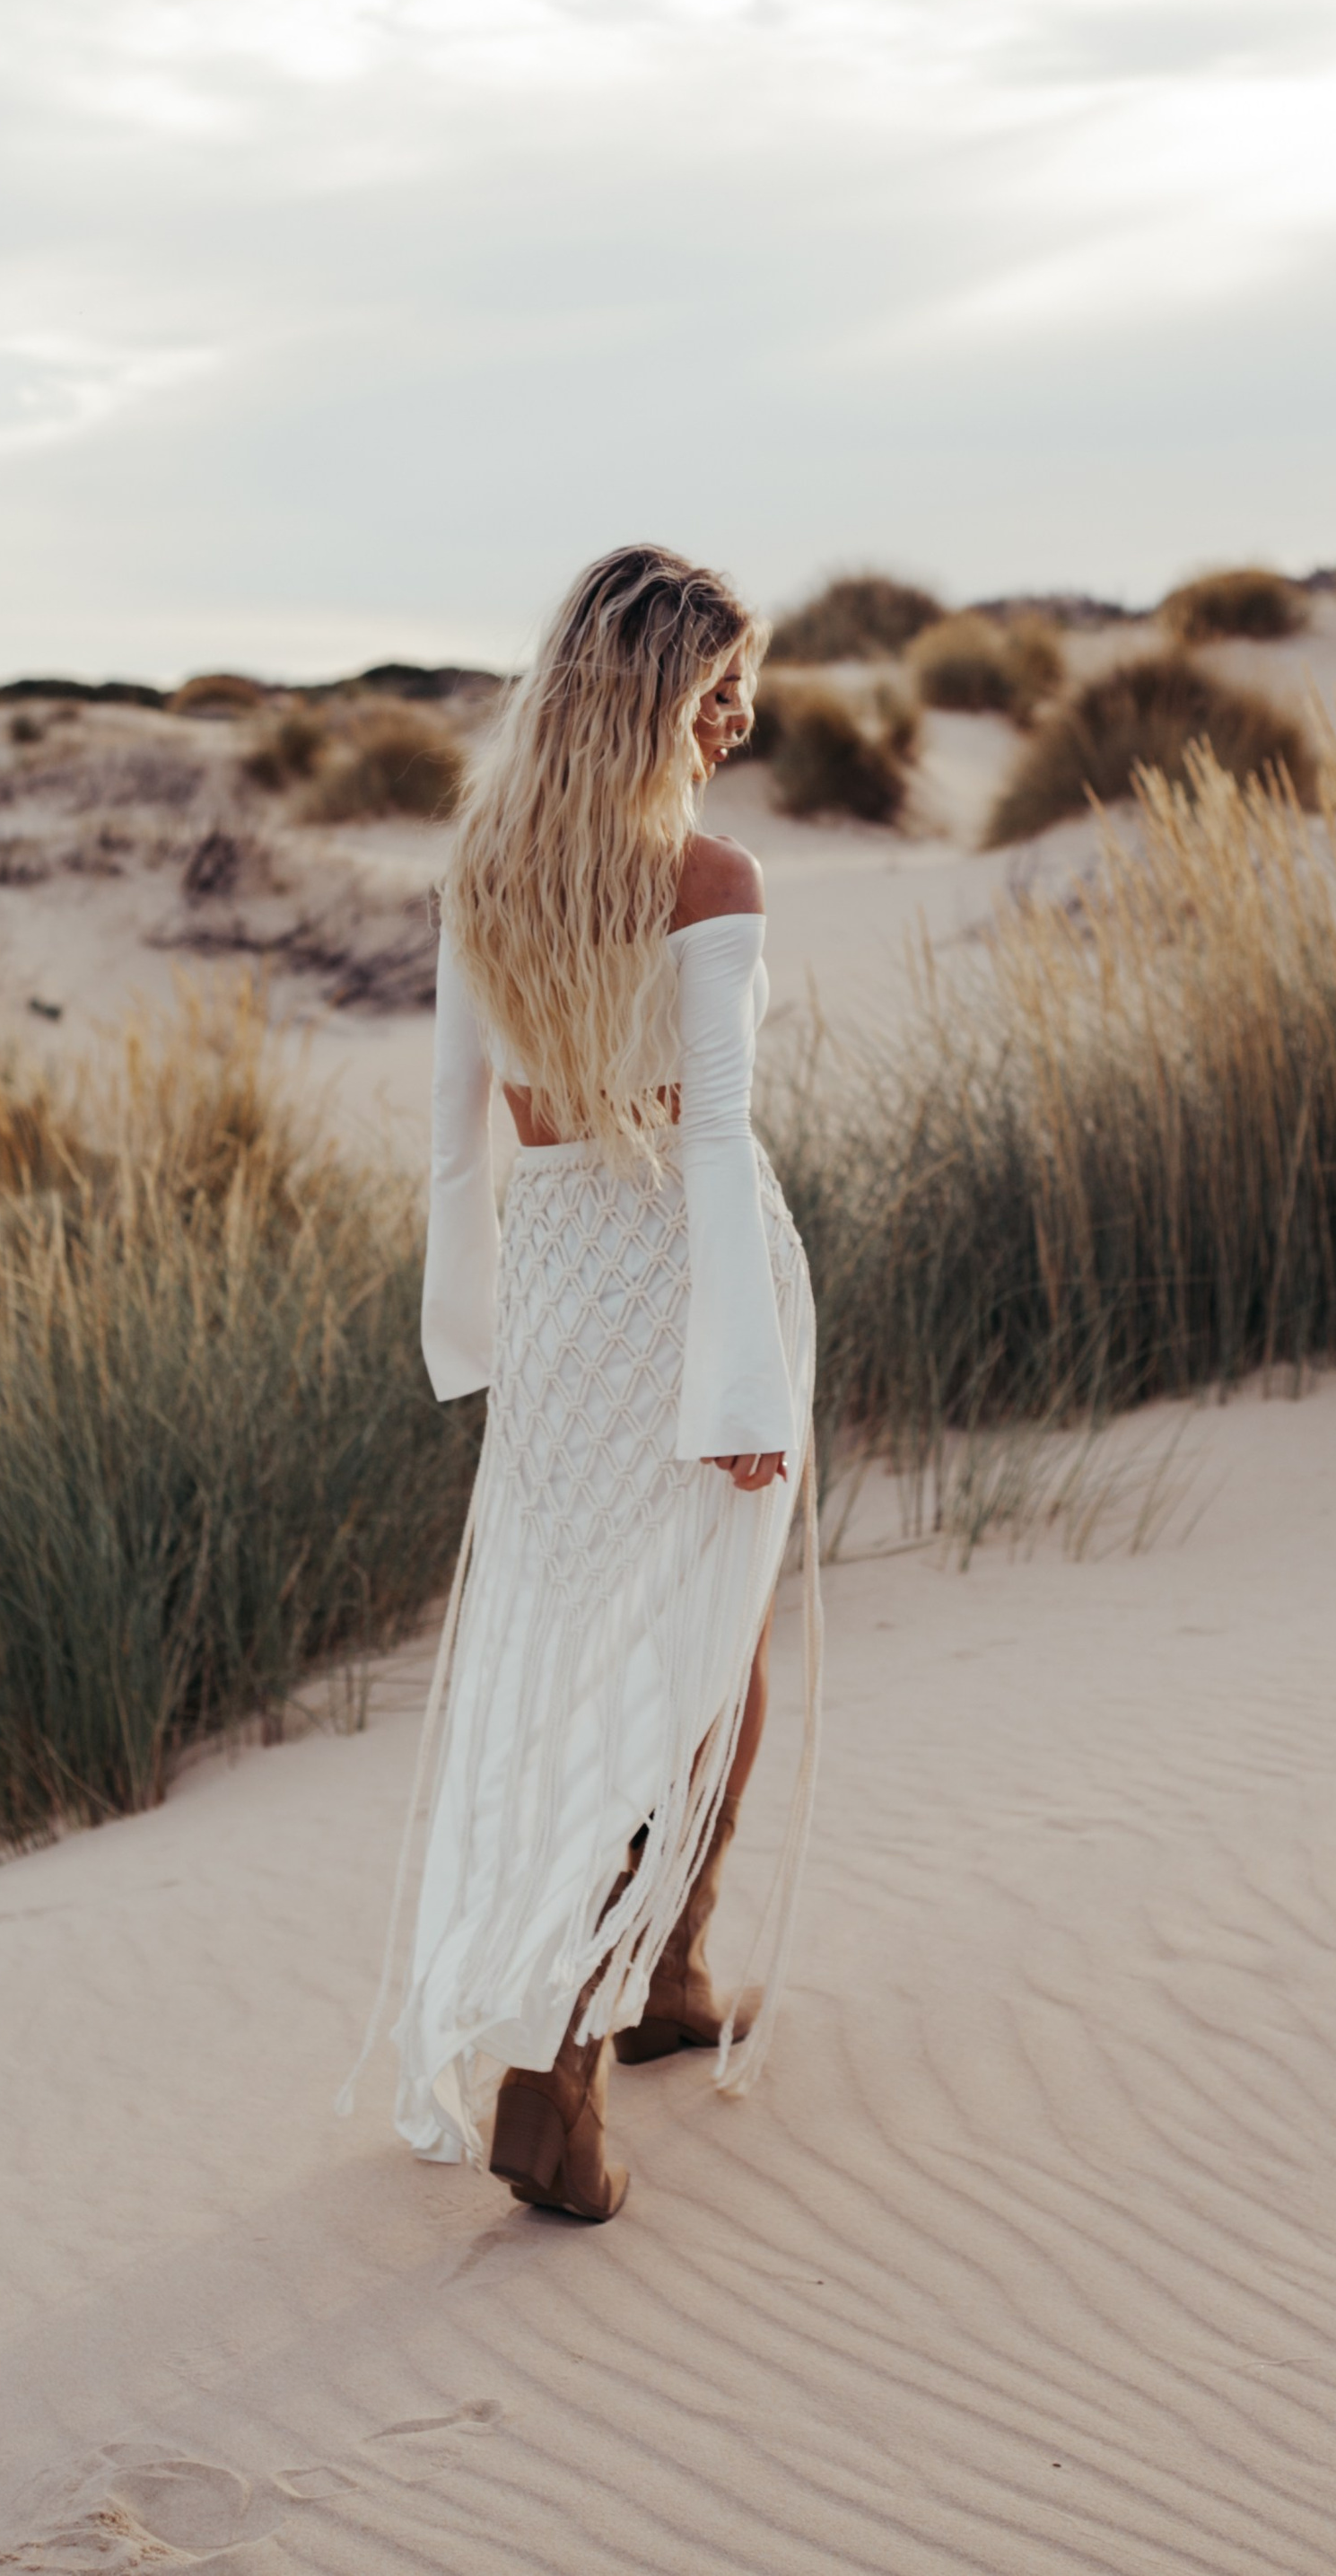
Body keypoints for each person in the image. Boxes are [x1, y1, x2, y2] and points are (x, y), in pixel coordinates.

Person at [362, 544, 820, 2221]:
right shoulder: (708, 880)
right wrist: (746, 1388)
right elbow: (713, 1145)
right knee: (695, 1660)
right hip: (694, 1290)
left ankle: (667, 1982)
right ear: (649, 703)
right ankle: (558, 2062)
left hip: (564, 1297)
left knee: (611, 1655)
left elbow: (452, 1139)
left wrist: (470, 1333)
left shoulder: (486, 869)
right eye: (716, 694)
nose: (740, 722)